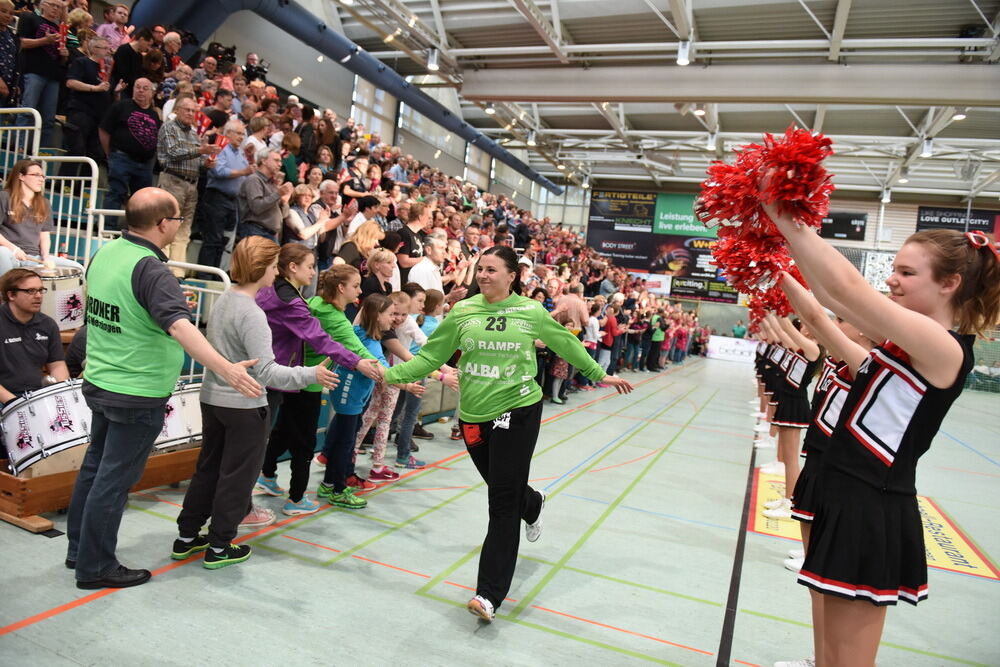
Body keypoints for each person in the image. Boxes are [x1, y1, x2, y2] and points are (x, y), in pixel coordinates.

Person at [762, 192, 1000, 666]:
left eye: (907, 273)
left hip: (872, 506)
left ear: (950, 283)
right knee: (829, 651)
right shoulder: (899, 351)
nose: (891, 279)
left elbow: (848, 292)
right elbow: (827, 304)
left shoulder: (944, 347)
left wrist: (783, 213)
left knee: (849, 660)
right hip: (843, 495)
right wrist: (773, 260)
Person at [383, 245, 634, 622]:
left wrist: (600, 374)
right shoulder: (464, 311)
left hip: (518, 409)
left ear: (511, 275)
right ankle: (532, 503)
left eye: (491, 270)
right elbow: (431, 356)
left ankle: (489, 594)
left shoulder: (530, 311)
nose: (482, 275)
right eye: (479, 269)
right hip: (473, 414)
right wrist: (388, 375)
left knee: (500, 502)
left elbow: (564, 342)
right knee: (505, 488)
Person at [65, 187, 262, 590]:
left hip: (102, 379)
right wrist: (226, 368)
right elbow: (179, 326)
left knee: (96, 468)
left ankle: (79, 550)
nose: (177, 225)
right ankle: (96, 565)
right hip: (134, 389)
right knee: (113, 480)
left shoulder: (106, 253)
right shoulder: (152, 270)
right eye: (175, 219)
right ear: (162, 224)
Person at [173, 237, 340, 569]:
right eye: (275, 264)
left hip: (213, 400)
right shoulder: (252, 313)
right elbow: (267, 372)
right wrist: (310, 375)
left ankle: (187, 536)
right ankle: (220, 545)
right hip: (244, 406)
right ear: (264, 268)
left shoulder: (223, 301)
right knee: (237, 477)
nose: (277, 270)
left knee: (208, 469)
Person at [255, 244, 383, 515]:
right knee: (302, 442)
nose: (315, 272)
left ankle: (266, 477)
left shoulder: (303, 300)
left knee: (281, 432)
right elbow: (324, 341)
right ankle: (297, 499)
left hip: (285, 376)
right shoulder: (294, 302)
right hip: (297, 377)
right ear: (292, 267)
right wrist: (360, 363)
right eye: (310, 266)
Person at [156, 94, 221, 269]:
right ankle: (162, 267)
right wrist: (201, 150)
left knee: (183, 230)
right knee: (167, 224)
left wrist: (206, 163)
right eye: (187, 109)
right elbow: (173, 153)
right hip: (172, 180)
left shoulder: (193, 134)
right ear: (176, 110)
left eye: (193, 111)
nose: (191, 113)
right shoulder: (169, 128)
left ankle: (177, 272)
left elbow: (196, 161)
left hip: (192, 184)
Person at [0, 160, 84, 275]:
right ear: (21, 176)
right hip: (9, 253)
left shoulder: (44, 203)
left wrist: (46, 257)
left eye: (42, 176)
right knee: (1, 252)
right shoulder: (4, 197)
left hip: (34, 258)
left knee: (78, 268)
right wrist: (13, 249)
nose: (41, 179)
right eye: (36, 175)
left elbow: (44, 236)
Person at [0, 268, 68, 404]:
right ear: (11, 295)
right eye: (30, 291)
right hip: (6, 399)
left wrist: (62, 393)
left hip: (37, 396)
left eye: (41, 290)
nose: (38, 296)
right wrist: (14, 404)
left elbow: (57, 365)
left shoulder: (48, 324)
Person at [196, 119, 253, 273]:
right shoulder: (220, 148)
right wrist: (243, 172)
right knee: (212, 239)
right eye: (238, 133)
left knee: (224, 242)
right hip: (217, 197)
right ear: (228, 133)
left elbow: (246, 176)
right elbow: (218, 171)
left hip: (232, 201)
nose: (241, 137)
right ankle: (204, 276)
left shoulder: (240, 153)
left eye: (243, 134)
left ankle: (215, 274)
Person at [99, 78, 161, 218]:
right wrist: (110, 153)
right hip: (121, 157)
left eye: (145, 88)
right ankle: (107, 228)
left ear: (152, 93)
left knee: (142, 200)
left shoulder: (154, 115)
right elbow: (104, 130)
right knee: (116, 192)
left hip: (145, 164)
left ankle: (137, 232)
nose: (140, 90)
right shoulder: (121, 106)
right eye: (137, 87)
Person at [16, 0, 69, 148]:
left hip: (53, 76)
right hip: (33, 71)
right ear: (43, 4)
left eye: (58, 7)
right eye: (53, 5)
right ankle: (20, 148)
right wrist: (44, 40)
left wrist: (64, 54)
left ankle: (42, 152)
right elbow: (21, 42)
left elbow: (61, 59)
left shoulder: (59, 28)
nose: (55, 9)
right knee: (27, 111)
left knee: (48, 120)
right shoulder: (30, 17)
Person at [237, 150, 293, 242]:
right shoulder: (254, 180)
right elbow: (257, 207)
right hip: (256, 231)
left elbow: (284, 215)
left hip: (271, 234)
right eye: (276, 160)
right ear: (263, 161)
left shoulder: (272, 184)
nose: (280, 164)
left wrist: (284, 201)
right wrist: (278, 193)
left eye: (280, 161)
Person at [108, 27, 152, 99]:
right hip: (120, 88)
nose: (148, 48)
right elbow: (120, 72)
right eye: (148, 44)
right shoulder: (124, 50)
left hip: (132, 90)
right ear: (142, 39)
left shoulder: (139, 56)